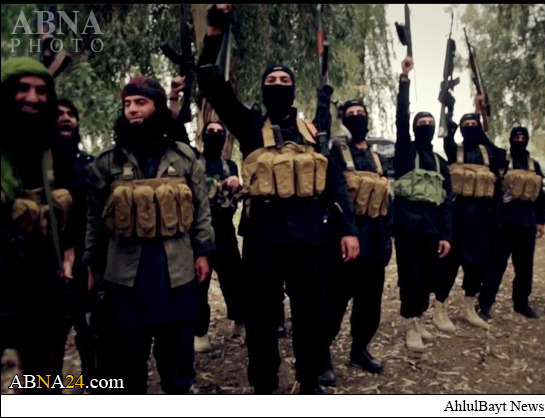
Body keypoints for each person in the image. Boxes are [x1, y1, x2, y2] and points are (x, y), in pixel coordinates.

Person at [196, 4, 359, 394]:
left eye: (285, 79)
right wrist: (215, 30)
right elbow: (211, 82)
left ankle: (309, 381)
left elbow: (333, 182)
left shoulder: (313, 132)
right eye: (272, 79)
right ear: (263, 88)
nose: (279, 83)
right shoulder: (250, 124)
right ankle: (265, 386)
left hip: (310, 239)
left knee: (311, 316)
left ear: (294, 88)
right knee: (262, 320)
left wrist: (348, 229)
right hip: (263, 240)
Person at [83, 76, 215, 394]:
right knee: (127, 368)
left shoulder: (184, 158)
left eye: (140, 102)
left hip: (176, 273)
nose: (132, 109)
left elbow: (201, 211)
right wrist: (92, 264)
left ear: (157, 107)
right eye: (127, 104)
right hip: (125, 277)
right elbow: (94, 220)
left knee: (177, 366)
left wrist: (203, 252)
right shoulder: (107, 163)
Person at [1, 57, 75, 393]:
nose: (33, 98)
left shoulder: (55, 149)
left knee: (42, 381)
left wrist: (70, 251)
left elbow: (75, 207)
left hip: (42, 284)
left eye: (41, 90)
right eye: (22, 88)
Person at [318, 97, 393, 386]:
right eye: (351, 113)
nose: (357, 116)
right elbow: (335, 195)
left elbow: (387, 200)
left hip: (376, 241)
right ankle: (321, 356)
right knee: (334, 302)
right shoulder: (336, 153)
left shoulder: (378, 158)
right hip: (345, 240)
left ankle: (359, 349)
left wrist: (388, 237)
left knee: (370, 304)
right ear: (344, 120)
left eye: (361, 112)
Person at [393, 55, 452, 352]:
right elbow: (401, 120)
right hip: (407, 227)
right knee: (410, 277)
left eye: (429, 122)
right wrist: (404, 81)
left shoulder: (441, 162)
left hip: (432, 227)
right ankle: (410, 324)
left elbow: (447, 202)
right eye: (421, 122)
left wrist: (446, 235)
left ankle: (419, 317)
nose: (426, 125)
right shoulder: (405, 152)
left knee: (429, 277)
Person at [439, 102, 506, 331]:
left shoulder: (489, 154)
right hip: (458, 218)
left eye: (473, 124)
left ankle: (469, 307)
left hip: (481, 220)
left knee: (476, 265)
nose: (469, 128)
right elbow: (447, 132)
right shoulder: (454, 150)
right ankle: (439, 309)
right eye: (465, 125)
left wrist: (481, 114)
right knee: (449, 265)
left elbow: (499, 172)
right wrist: (448, 107)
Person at [53, 98, 98, 389]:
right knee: (48, 341)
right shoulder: (32, 164)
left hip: (84, 261)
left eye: (71, 114)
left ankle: (93, 386)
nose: (66, 118)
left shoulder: (89, 165)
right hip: (44, 264)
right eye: (58, 114)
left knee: (90, 334)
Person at [478, 127, 545, 320]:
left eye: (523, 136)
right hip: (504, 224)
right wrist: (481, 118)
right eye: (516, 136)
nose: (520, 139)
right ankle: (484, 305)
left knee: (525, 268)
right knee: (495, 266)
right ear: (510, 139)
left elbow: (540, 196)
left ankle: (522, 304)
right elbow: (486, 141)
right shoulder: (502, 160)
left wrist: (541, 221)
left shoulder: (534, 165)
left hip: (527, 224)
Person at [194, 120, 245, 353]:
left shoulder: (230, 165)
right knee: (199, 282)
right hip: (199, 230)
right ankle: (200, 332)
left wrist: (236, 184)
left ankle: (239, 321)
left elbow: (236, 196)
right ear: (203, 136)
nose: (214, 135)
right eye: (210, 131)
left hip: (224, 229)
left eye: (219, 132)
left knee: (234, 279)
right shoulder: (194, 163)